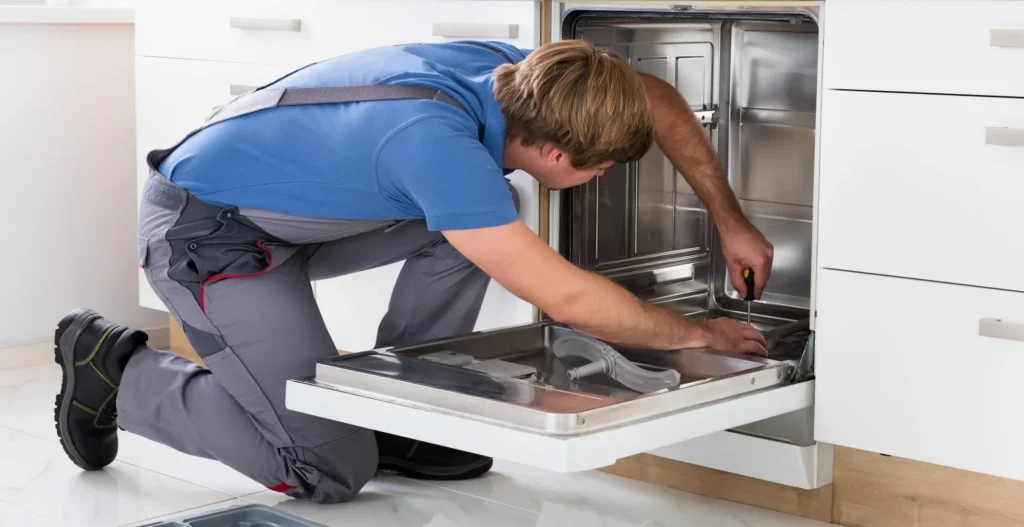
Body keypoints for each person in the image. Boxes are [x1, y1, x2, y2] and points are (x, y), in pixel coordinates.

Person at [53, 39, 773, 504]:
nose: (609, 175)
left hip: (295, 213)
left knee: (492, 215)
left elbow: (656, 99)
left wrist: (729, 219)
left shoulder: (529, 76)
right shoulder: (438, 148)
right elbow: (564, 295)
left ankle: (394, 416)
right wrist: (689, 333)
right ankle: (118, 372)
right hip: (209, 236)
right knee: (326, 468)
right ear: (558, 154)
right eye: (605, 168)